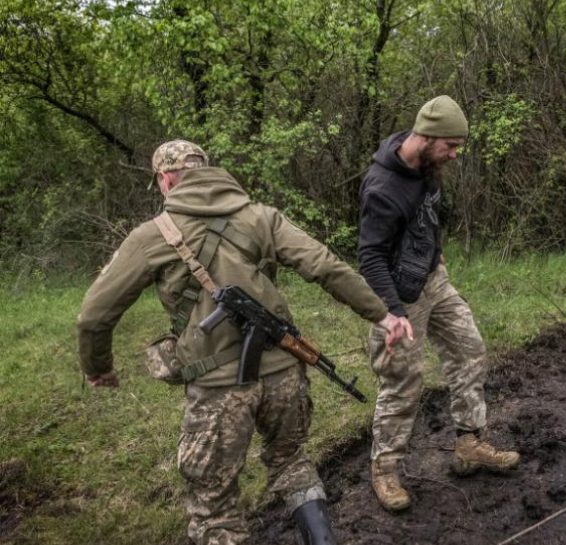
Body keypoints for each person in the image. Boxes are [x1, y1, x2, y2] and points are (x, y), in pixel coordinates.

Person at [77, 140, 407, 545]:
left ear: (165, 180)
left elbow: (94, 316)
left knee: (214, 506)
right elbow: (325, 266)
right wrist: (382, 313)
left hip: (218, 389)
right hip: (285, 372)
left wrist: (98, 369)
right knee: (292, 462)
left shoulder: (150, 237)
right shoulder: (261, 216)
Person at [358, 95, 520, 512]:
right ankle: (386, 471)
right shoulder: (382, 188)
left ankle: (470, 444)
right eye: (450, 145)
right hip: (396, 298)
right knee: (402, 384)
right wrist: (392, 311)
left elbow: (429, 215)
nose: (454, 153)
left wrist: (435, 252)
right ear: (425, 137)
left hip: (434, 280)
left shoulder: (427, 166)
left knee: (470, 351)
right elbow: (370, 257)